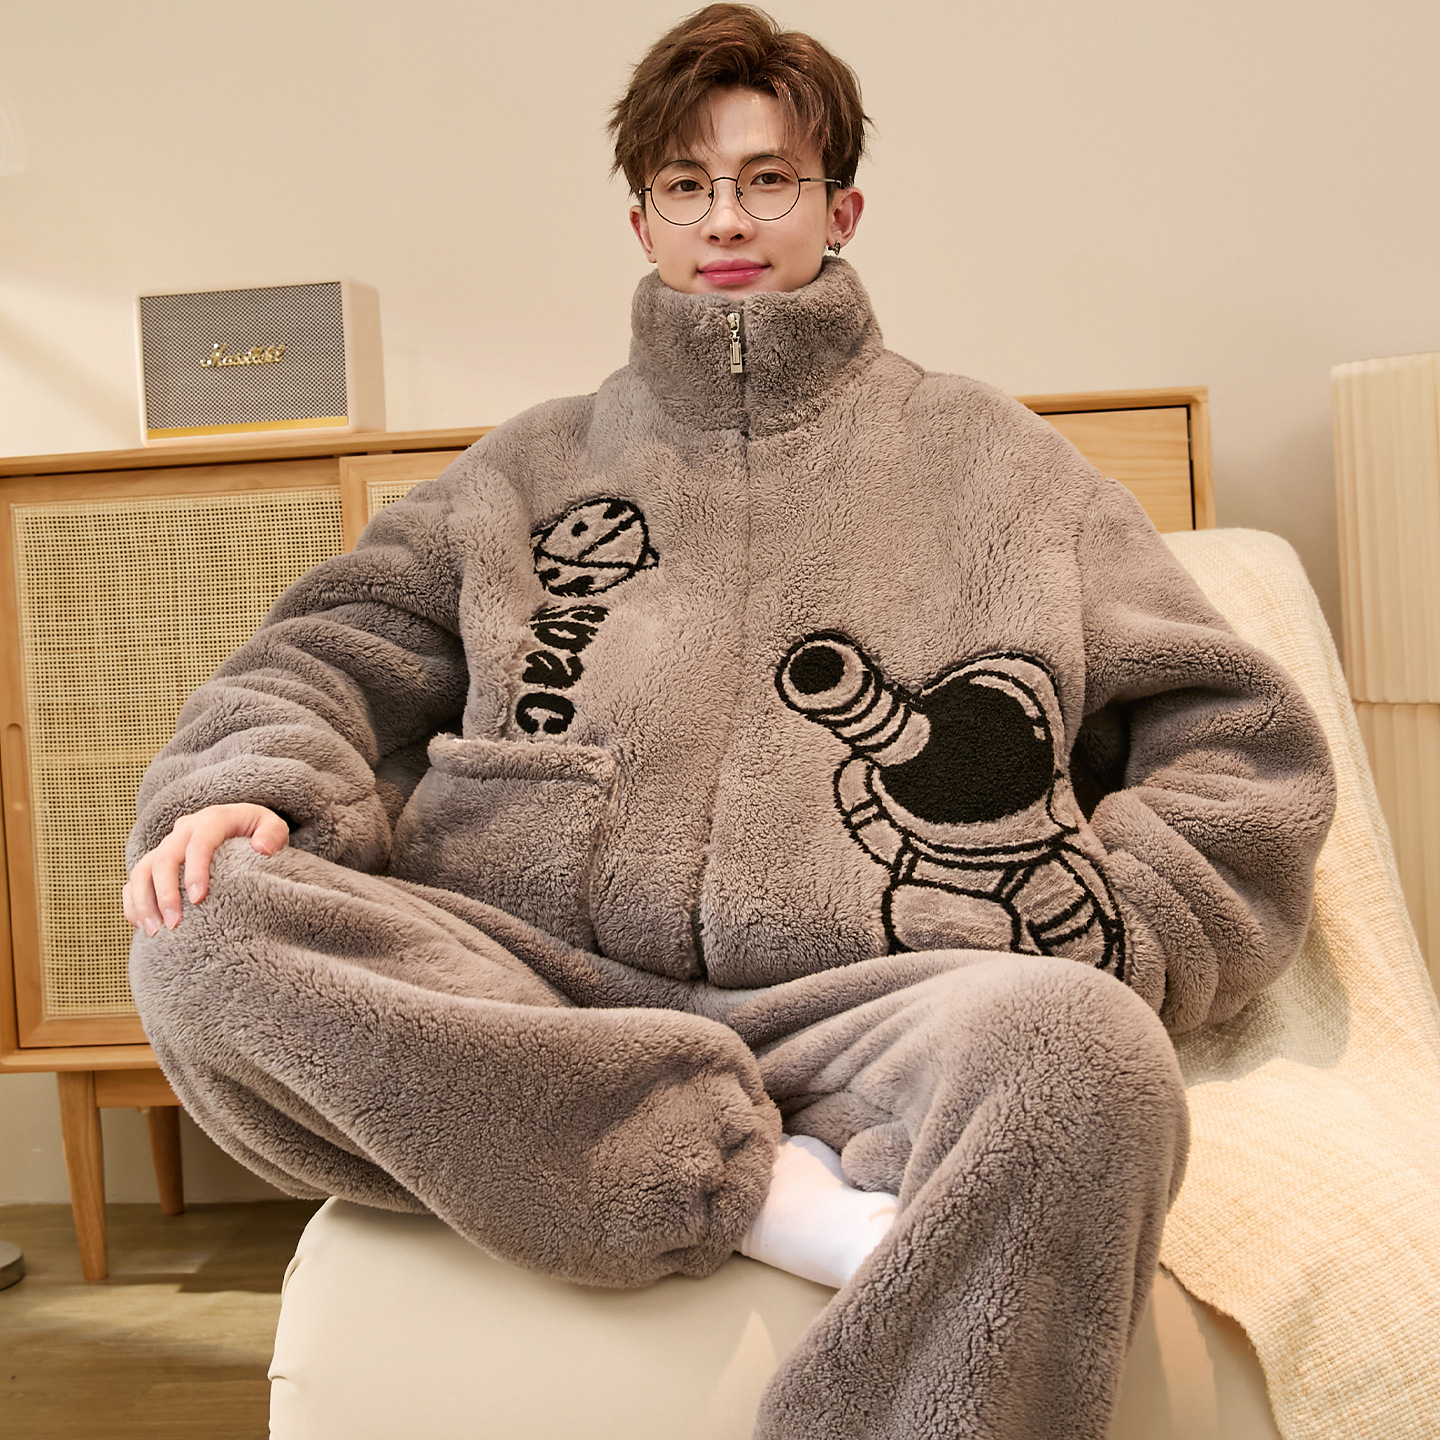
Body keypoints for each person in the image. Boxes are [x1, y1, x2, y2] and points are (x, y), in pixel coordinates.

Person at [122, 7, 1335, 1437]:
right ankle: (752, 1190)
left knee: (1089, 1057)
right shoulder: (520, 472)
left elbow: (1241, 749)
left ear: (840, 208)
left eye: (768, 180)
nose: (730, 219)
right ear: (642, 221)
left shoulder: (1006, 470)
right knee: (198, 934)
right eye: (689, 186)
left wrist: (1112, 930)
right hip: (534, 996)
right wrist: (253, 780)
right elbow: (322, 650)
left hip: (876, 1004)